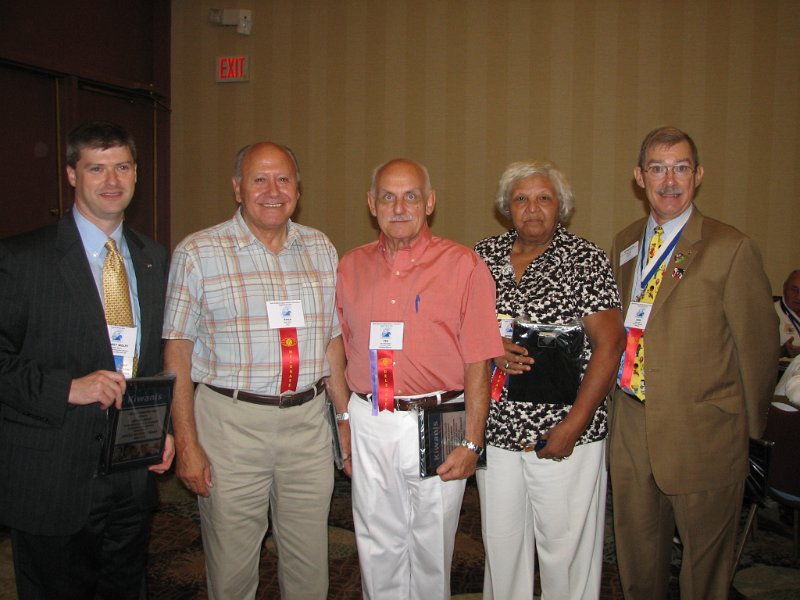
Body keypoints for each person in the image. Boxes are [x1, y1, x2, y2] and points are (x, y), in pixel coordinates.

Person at [163, 142, 350, 600]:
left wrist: (344, 419)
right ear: (237, 188)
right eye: (259, 179)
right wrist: (186, 442)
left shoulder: (320, 248)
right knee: (231, 566)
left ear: (298, 189)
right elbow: (177, 354)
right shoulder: (198, 252)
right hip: (230, 425)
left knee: (310, 565)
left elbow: (332, 342)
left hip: (307, 424)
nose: (272, 190)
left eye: (283, 179)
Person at [0, 120, 173, 599]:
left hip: (130, 474)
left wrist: (161, 430)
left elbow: (152, 361)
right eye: (97, 168)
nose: (112, 180)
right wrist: (66, 388)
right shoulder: (22, 259)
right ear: (73, 175)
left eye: (122, 167)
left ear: (136, 174)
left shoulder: (154, 258)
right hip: (52, 475)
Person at [609, 126, 778, 600]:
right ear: (638, 177)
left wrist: (748, 434)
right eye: (658, 169)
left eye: (681, 168)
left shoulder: (730, 247)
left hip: (705, 433)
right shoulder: (624, 243)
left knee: (704, 574)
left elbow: (759, 353)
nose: (669, 181)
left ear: (698, 175)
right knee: (637, 561)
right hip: (632, 424)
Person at [335, 158, 503, 599]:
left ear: (430, 202)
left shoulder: (464, 265)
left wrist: (472, 441)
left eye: (411, 196)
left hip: (440, 417)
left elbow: (479, 361)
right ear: (372, 204)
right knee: (377, 544)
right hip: (370, 418)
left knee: (433, 548)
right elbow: (340, 347)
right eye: (388, 196)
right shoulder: (349, 267)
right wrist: (344, 420)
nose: (399, 207)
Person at [473, 160, 626, 599]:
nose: (533, 208)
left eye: (544, 198)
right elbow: (460, 330)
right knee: (502, 550)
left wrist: (573, 427)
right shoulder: (480, 258)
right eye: (521, 199)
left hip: (564, 433)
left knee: (565, 554)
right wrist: (490, 347)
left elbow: (610, 346)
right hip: (496, 430)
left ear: (562, 207)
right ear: (507, 208)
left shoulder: (585, 259)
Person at [776, 269, 800, 358]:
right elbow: (756, 352)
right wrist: (782, 352)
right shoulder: (770, 314)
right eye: (794, 290)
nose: (798, 296)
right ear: (784, 288)